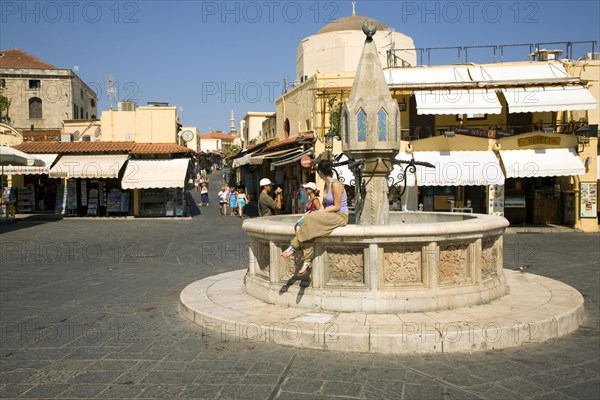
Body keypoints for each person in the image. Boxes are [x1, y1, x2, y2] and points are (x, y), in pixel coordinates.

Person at [282, 160, 349, 275]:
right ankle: (307, 261)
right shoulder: (326, 184)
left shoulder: (336, 184)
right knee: (308, 223)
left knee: (311, 220)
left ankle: (294, 246)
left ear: (320, 172)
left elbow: (337, 207)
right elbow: (324, 205)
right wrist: (316, 212)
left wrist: (319, 213)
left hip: (340, 216)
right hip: (329, 214)